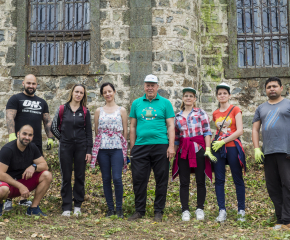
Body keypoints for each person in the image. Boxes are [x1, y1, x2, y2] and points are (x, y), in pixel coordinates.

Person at [128, 74, 175, 222]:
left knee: (161, 179)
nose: (150, 88)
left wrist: (171, 146)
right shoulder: (136, 103)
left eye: (153, 85)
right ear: (144, 86)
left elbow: (171, 125)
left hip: (161, 145)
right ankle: (139, 211)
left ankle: (158, 211)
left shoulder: (165, 103)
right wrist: (132, 147)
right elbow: (133, 126)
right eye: (147, 85)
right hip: (140, 147)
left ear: (157, 87)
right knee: (139, 179)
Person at [5, 74, 55, 211]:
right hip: (18, 141)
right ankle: (7, 199)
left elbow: (47, 121)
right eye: (28, 83)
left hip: (35, 142)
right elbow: (10, 116)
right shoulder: (15, 99)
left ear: (36, 85)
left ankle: (23, 199)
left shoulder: (42, 102)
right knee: (12, 169)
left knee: (32, 169)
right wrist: (11, 135)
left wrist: (50, 137)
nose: (31, 86)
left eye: (33, 84)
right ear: (23, 83)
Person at [172, 87, 217, 221]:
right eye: (186, 96)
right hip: (183, 150)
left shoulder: (201, 113)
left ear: (195, 99)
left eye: (191, 96)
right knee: (184, 181)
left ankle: (200, 208)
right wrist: (174, 152)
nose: (188, 98)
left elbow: (207, 132)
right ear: (183, 98)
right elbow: (176, 137)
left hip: (198, 149)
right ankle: (185, 209)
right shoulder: (177, 116)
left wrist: (207, 149)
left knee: (200, 180)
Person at [252, 77, 290, 230]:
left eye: (275, 86)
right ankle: (280, 220)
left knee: (288, 185)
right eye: (269, 87)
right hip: (268, 153)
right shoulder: (261, 108)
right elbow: (255, 129)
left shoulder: (288, 104)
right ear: (265, 90)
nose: (272, 89)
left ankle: (288, 220)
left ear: (281, 88)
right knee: (272, 186)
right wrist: (256, 148)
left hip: (286, 152)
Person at [51, 84, 93, 217]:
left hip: (81, 147)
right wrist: (63, 139)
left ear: (83, 95)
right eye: (77, 92)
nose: (78, 94)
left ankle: (78, 206)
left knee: (80, 176)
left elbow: (88, 133)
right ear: (72, 93)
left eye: (81, 93)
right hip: (65, 147)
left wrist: (89, 150)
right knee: (66, 177)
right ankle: (67, 206)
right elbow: (54, 127)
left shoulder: (85, 111)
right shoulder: (62, 109)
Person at [91, 82, 128, 219]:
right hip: (103, 149)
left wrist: (122, 146)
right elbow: (96, 130)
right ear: (102, 94)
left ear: (114, 92)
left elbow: (125, 130)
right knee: (106, 178)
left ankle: (119, 209)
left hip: (117, 147)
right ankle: (110, 209)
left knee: (117, 178)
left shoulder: (122, 110)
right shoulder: (98, 111)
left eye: (109, 91)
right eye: (105, 92)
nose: (107, 94)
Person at [211, 83, 246, 222]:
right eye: (220, 93)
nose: (222, 95)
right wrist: (215, 144)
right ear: (217, 96)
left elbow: (240, 130)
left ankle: (241, 210)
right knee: (219, 180)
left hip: (232, 147)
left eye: (225, 93)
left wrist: (224, 142)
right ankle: (222, 211)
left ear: (229, 95)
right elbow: (217, 131)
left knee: (237, 179)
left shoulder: (235, 109)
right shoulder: (215, 113)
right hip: (218, 149)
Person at [0, 125, 52, 216]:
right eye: (24, 134)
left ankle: (33, 208)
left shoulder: (32, 147)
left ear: (32, 137)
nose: (27, 137)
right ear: (18, 134)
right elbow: (0, 174)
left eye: (30, 135)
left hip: (23, 183)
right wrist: (20, 186)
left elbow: (45, 166)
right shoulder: (7, 149)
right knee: (2, 190)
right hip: (8, 185)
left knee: (47, 175)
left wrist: (33, 167)